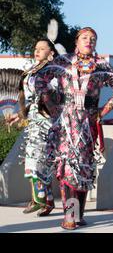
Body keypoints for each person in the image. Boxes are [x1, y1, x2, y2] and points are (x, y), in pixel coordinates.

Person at [35, 27, 113, 230]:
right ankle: (70, 215)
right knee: (68, 166)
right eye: (85, 38)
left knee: (84, 167)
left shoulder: (101, 66)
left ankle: (78, 215)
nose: (89, 41)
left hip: (88, 122)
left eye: (93, 38)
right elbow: (40, 78)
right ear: (76, 41)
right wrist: (50, 103)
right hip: (65, 122)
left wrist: (103, 111)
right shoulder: (63, 61)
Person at [7, 20, 66, 217]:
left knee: (39, 161)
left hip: (49, 121)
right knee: (33, 161)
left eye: (42, 48)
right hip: (34, 122)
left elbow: (55, 96)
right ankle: (45, 200)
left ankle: (41, 199)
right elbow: (31, 99)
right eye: (35, 48)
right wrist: (19, 114)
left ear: (51, 53)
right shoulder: (32, 71)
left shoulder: (54, 71)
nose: (37, 51)